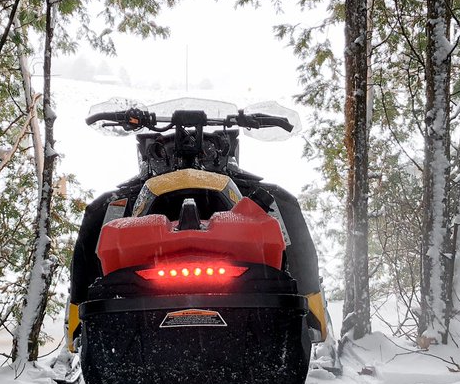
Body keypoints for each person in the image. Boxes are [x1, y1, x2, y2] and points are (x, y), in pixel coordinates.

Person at [66, 125, 326, 351]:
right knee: (282, 203)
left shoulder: (113, 206)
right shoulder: (269, 200)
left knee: (99, 213)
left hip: (133, 333)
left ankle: (80, 321)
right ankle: (311, 313)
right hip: (252, 323)